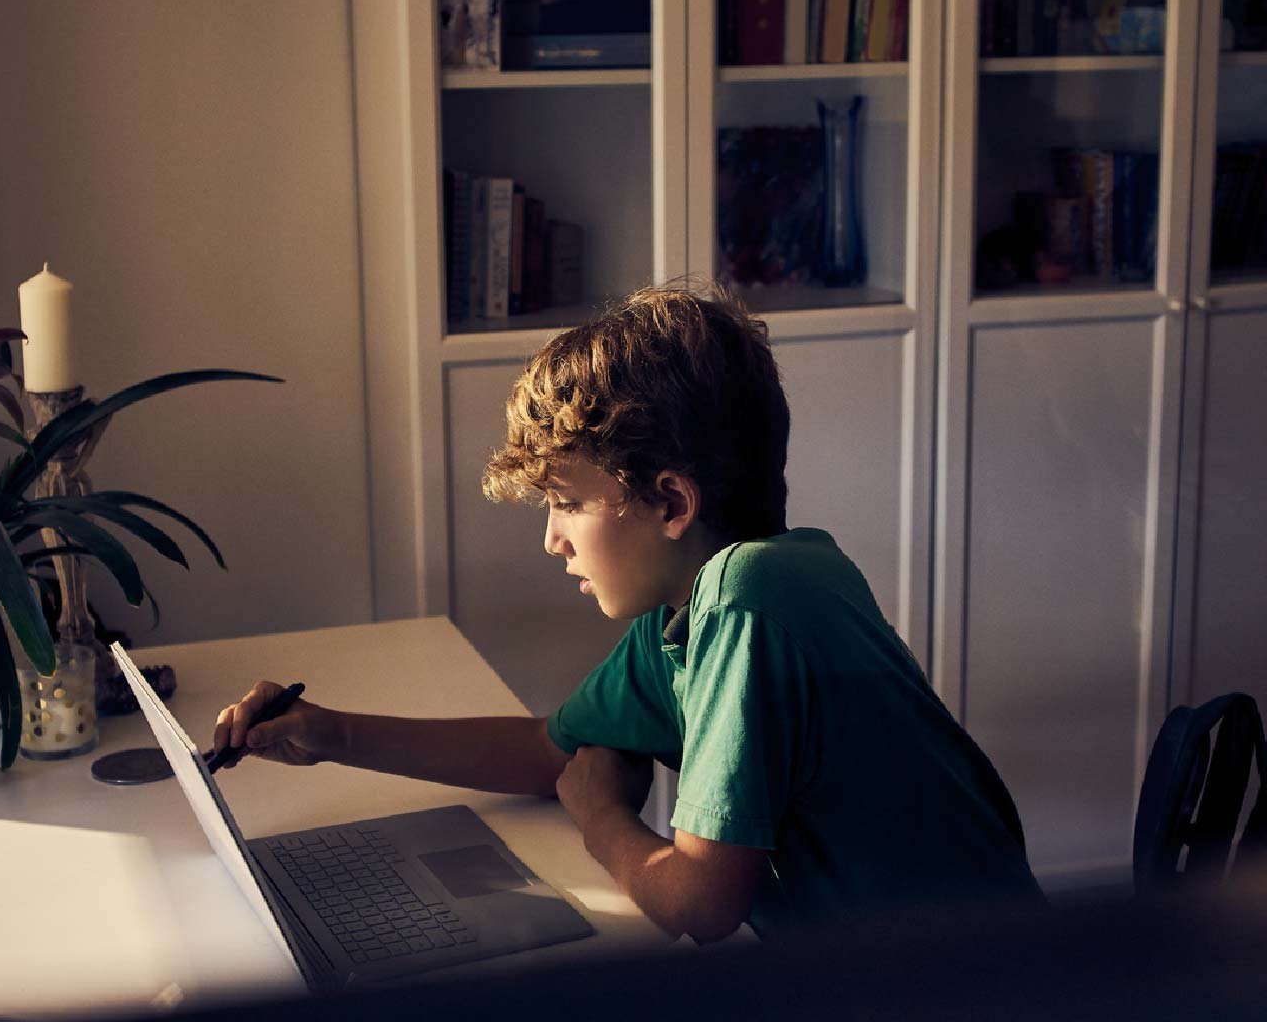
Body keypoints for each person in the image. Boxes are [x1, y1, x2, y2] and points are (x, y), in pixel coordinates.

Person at [213, 279, 1040, 942]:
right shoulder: (686, 612)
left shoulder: (752, 598)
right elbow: (551, 750)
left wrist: (601, 816)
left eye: (566, 503)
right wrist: (331, 734)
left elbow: (697, 904)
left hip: (968, 1019)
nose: (551, 542)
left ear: (670, 501)